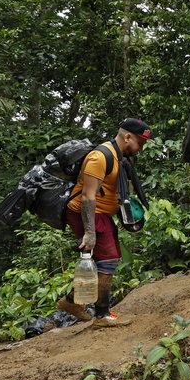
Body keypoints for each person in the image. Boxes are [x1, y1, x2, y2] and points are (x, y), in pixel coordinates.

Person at [56, 118, 155, 327]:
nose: (141, 149)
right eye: (140, 143)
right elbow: (87, 196)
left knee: (107, 260)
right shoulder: (100, 157)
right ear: (127, 137)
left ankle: (72, 302)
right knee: (108, 259)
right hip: (88, 213)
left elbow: (113, 192)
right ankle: (101, 315)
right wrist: (89, 232)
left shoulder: (120, 158)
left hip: (102, 214)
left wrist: (121, 217)